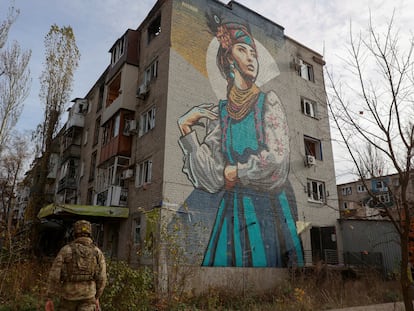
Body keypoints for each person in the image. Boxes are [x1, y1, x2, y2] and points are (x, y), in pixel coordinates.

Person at [177, 16, 304, 268]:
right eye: (242, 50)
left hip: (269, 207)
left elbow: (278, 160)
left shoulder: (269, 102)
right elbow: (211, 177)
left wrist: (239, 171)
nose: (250, 58)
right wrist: (186, 130)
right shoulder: (221, 114)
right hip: (233, 211)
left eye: (253, 53)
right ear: (227, 60)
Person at [46, 220, 107, 311]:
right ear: (89, 233)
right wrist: (96, 297)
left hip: (68, 297)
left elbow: (54, 276)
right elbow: (102, 278)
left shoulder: (66, 250)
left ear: (75, 233)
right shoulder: (97, 252)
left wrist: (50, 297)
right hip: (89, 297)